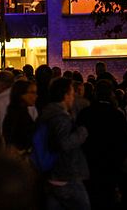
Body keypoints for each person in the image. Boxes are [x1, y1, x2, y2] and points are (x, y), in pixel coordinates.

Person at [76, 80, 127, 210]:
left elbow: (78, 139)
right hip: (110, 166)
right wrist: (117, 161)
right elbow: (126, 143)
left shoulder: (85, 113)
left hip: (89, 164)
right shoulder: (117, 115)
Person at [37, 77, 90, 210]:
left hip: (51, 173)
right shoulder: (61, 117)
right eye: (72, 94)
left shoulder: (47, 113)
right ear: (65, 95)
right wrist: (82, 132)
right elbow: (64, 143)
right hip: (66, 174)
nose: (73, 98)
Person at [2, 80, 38, 156]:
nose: (36, 96)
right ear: (21, 94)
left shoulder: (20, 112)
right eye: (32, 92)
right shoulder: (17, 115)